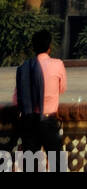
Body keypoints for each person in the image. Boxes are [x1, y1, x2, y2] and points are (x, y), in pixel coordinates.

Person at [12, 29, 67, 171]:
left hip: (29, 122)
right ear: (49, 47)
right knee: (58, 166)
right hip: (48, 121)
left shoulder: (23, 68)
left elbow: (16, 100)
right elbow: (62, 88)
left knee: (31, 167)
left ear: (33, 48)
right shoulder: (58, 64)